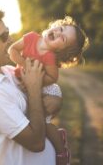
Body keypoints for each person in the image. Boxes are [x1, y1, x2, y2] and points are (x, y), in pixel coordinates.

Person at [0, 7, 63, 165]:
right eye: (3, 36)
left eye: (8, 32)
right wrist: (34, 89)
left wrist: (56, 98)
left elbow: (44, 91)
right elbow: (36, 143)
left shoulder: (7, 72)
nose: (11, 39)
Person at [8, 16, 89, 165]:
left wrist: (36, 80)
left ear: (61, 51)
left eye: (63, 39)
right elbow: (12, 50)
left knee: (40, 124)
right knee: (30, 122)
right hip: (31, 85)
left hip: (48, 90)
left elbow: (52, 77)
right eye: (61, 29)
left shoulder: (49, 57)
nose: (58, 33)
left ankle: (61, 152)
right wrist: (24, 65)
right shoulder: (31, 37)